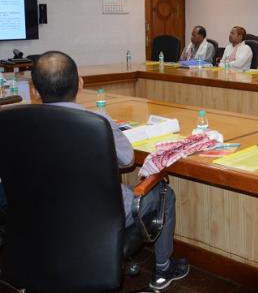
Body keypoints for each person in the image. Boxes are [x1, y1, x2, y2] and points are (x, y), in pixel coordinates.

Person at [30, 51, 189, 289]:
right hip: (100, 216)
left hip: (44, 216)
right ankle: (163, 269)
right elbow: (127, 160)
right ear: (80, 83)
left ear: (34, 90)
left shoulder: (17, 124)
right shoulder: (97, 122)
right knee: (165, 194)